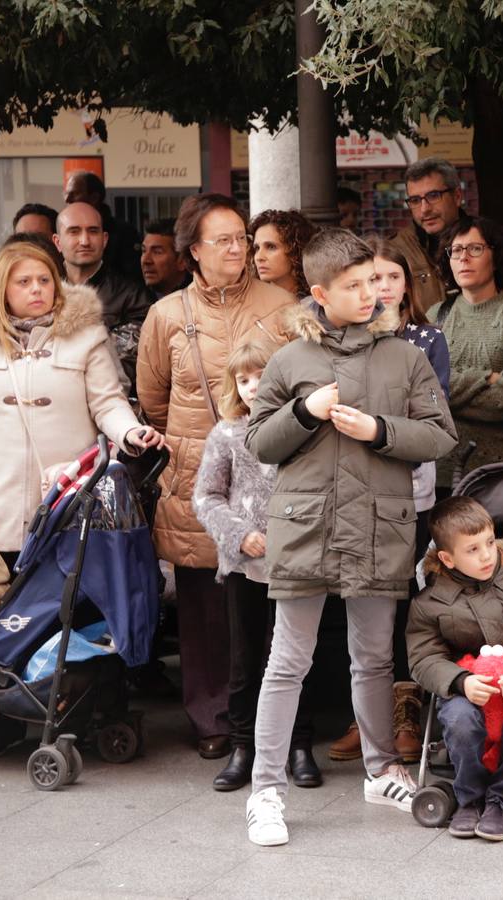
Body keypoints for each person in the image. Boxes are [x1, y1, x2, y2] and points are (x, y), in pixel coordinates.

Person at [242, 229, 457, 847]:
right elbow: (258, 443)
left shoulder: (405, 357)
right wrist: (304, 413)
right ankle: (266, 790)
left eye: (376, 282)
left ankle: (381, 769)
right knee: (289, 660)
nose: (371, 294)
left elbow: (441, 437)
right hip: (307, 525)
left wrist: (379, 429)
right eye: (354, 286)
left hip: (377, 524)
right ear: (319, 293)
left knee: (374, 657)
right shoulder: (288, 360)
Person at [136, 193, 296, 760]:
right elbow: (153, 399)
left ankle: (272, 720)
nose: (238, 248)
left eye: (242, 238)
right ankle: (212, 718)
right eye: (223, 240)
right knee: (203, 604)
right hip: (197, 476)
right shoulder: (166, 315)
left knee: (264, 601)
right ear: (193, 251)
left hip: (266, 473)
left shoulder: (282, 304)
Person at [0, 240, 162, 561]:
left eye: (44, 280)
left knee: (65, 606)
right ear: (3, 289)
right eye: (24, 282)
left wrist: (129, 433)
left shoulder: (87, 335)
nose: (37, 290)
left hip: (67, 500)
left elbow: (108, 403)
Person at [321, 235, 450, 765]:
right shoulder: (334, 343)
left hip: (412, 493)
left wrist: (380, 428)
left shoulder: (425, 340)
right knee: (363, 611)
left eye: (390, 277)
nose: (380, 288)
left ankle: (407, 710)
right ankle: (365, 714)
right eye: (369, 279)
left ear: (406, 281)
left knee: (407, 606)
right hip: (352, 494)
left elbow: (430, 422)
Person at [193, 341, 322, 793]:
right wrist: (237, 534)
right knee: (246, 657)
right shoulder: (227, 434)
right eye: (243, 380)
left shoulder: (304, 430)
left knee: (294, 656)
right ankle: (242, 744)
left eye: (261, 377)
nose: (251, 388)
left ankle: (298, 744)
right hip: (247, 564)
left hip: (297, 560)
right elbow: (206, 496)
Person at [406, 496, 503, 842]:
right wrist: (460, 681)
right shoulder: (429, 603)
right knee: (460, 719)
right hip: (465, 689)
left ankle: (500, 800)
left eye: (490, 543)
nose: (486, 555)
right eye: (473, 549)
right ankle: (470, 797)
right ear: (447, 558)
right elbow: (422, 658)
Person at [429, 218, 503, 489]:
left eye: (475, 248)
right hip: (442, 471)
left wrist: (447, 387)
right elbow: (423, 394)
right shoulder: (435, 316)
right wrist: (487, 379)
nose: (464, 258)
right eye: (456, 250)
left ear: (496, 256)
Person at [54, 202, 154, 388]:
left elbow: (130, 365)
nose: (84, 240)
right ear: (57, 242)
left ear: (105, 239)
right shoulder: (43, 292)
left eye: (93, 231)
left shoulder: (132, 295)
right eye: (74, 232)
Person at [393, 158, 468, 312]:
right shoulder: (394, 251)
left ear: (457, 196)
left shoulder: (493, 241)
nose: (424, 209)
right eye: (415, 200)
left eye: (433, 196)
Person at [63, 171, 143, 280]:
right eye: (66, 194)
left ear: (94, 198)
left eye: (74, 194)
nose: (67, 199)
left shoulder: (123, 233)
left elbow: (132, 277)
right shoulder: (61, 229)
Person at [250, 210, 317, 299]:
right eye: (257, 248)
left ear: (295, 251)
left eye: (271, 247)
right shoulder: (250, 302)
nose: (259, 257)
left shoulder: (315, 307)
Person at [140, 219, 192, 298]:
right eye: (144, 251)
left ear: (182, 261)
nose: (146, 260)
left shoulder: (198, 302)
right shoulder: (135, 300)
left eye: (157, 252)